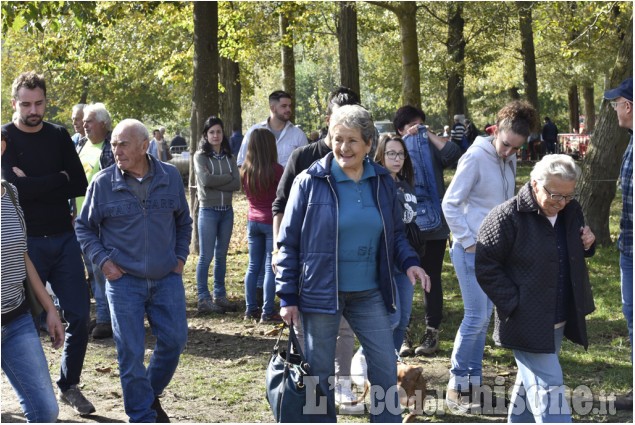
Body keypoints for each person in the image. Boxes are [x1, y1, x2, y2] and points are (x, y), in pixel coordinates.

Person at [276, 104, 430, 422]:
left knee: (385, 367)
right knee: (319, 375)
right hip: (320, 294)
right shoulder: (309, 181)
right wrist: (287, 296)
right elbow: (287, 244)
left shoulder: (383, 183)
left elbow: (396, 235)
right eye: (337, 138)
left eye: (352, 140)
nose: (343, 148)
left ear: (369, 144)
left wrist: (411, 262)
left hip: (370, 291)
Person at [75, 119, 192, 422]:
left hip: (167, 278)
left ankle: (148, 395)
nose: (116, 150)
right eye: (113, 144)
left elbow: (183, 221)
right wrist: (104, 262)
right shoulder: (102, 183)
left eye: (123, 144)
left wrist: (180, 258)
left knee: (175, 341)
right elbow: (84, 228)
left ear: (144, 146)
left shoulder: (169, 176)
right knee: (130, 354)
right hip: (123, 281)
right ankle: (141, 416)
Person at [1, 71, 94, 416]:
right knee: (23, 321)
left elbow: (79, 183)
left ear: (46, 100)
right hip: (23, 246)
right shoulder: (4, 138)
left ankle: (69, 384)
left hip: (63, 239)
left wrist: (38, 183)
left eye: (39, 102)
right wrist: (58, 178)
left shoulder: (58, 135)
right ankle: (30, 391)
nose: (33, 109)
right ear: (15, 103)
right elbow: (12, 187)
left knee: (81, 316)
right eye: (26, 104)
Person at [476, 154, 596, 422]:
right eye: (555, 195)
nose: (561, 203)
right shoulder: (506, 217)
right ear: (534, 184)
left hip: (558, 316)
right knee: (549, 386)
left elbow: (566, 253)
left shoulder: (570, 210)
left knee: (530, 382)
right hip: (525, 319)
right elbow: (486, 266)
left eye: (567, 196)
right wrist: (515, 305)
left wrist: (587, 244)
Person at [441, 100, 539, 413]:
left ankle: (474, 387)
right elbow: (450, 204)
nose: (509, 152)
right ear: (496, 131)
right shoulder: (475, 156)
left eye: (516, 149)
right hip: (470, 251)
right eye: (506, 144)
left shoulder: (507, 160)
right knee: (476, 317)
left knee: (483, 320)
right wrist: (469, 242)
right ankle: (457, 388)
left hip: (496, 253)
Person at [271, 86, 363, 413]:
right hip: (307, 262)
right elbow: (279, 205)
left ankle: (340, 387)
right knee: (307, 331)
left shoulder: (362, 156)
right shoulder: (302, 157)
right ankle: (307, 395)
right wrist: (278, 251)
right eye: (342, 121)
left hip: (349, 263)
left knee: (345, 329)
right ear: (328, 120)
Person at [1, 129, 65, 423]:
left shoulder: (11, 195)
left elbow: (22, 256)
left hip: (16, 320)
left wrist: (50, 308)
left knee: (45, 411)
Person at [393, 105, 462, 356]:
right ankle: (404, 333)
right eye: (412, 125)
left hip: (433, 223)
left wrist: (429, 134)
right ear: (400, 129)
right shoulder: (395, 150)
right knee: (402, 278)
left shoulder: (430, 145)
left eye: (422, 124)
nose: (418, 129)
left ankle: (431, 333)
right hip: (403, 224)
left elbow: (455, 154)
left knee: (430, 276)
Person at [374, 134, 422, 351]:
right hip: (385, 258)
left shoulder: (404, 183)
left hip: (406, 256)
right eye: (391, 153)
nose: (397, 158)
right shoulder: (375, 183)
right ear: (381, 155)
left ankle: (392, 367)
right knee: (391, 319)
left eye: (401, 154)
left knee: (403, 320)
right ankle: (368, 363)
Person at [604, 77, 633, 410]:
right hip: (629, 248)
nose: (613, 110)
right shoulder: (631, 140)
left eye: (615, 104)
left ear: (627, 105)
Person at [193, 116, 240, 315]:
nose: (215, 135)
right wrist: (226, 178)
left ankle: (219, 295)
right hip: (208, 211)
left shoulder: (230, 158)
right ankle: (203, 297)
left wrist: (216, 180)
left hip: (226, 211)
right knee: (206, 256)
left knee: (221, 255)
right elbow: (205, 180)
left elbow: (236, 184)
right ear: (206, 134)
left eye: (218, 132)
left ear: (223, 134)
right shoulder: (200, 157)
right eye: (211, 132)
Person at [77, 102, 115, 339]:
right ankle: (102, 314)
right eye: (84, 121)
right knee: (91, 271)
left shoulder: (111, 147)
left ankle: (107, 319)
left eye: (89, 121)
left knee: (102, 269)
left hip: (102, 221)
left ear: (103, 124)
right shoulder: (81, 144)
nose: (84, 125)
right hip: (82, 220)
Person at [241, 129, 284, 323]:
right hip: (270, 221)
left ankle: (250, 308)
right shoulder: (276, 170)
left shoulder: (245, 169)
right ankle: (267, 311)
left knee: (252, 266)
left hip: (253, 220)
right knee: (269, 267)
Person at [236, 90, 307, 167]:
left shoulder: (298, 134)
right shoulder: (254, 131)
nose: (288, 109)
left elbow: (307, 163)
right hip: (259, 178)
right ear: (272, 108)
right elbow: (241, 162)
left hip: (291, 179)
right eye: (284, 106)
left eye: (289, 106)